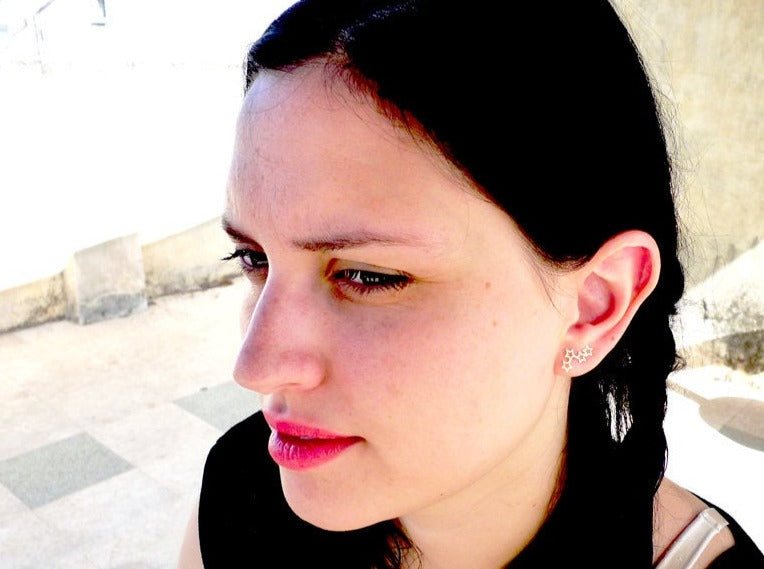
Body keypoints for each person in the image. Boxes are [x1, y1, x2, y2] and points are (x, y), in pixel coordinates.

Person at [178, 1, 764, 567]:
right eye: (253, 258)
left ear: (594, 306)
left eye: (367, 276)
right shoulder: (242, 492)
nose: (254, 367)